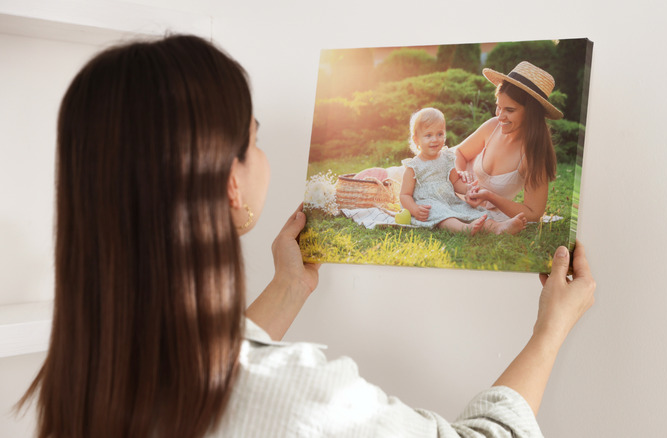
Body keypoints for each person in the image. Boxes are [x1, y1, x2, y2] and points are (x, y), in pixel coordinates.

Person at [18, 35, 596, 437]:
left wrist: (288, 289)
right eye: (255, 138)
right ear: (231, 183)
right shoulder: (296, 396)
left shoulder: (85, 383)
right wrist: (551, 330)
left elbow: (205, 375)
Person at [453, 61, 562, 223]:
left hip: (476, 207)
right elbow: (459, 152)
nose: (500, 116)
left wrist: (490, 196)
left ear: (531, 113)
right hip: (451, 184)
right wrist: (459, 176)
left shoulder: (534, 156)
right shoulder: (493, 126)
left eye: (509, 110)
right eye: (499, 107)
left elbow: (533, 213)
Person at [400, 107, 527, 235]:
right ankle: (464, 229)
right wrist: (415, 209)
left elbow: (455, 182)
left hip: (449, 200)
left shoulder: (447, 158)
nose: (435, 139)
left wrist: (467, 189)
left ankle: (497, 227)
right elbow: (405, 195)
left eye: (439, 134)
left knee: (471, 210)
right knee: (443, 215)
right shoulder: (413, 167)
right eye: (428, 135)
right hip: (428, 205)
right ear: (416, 140)